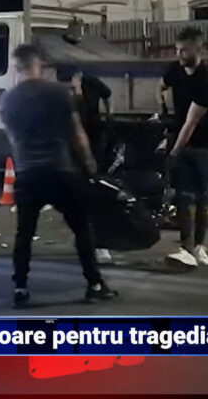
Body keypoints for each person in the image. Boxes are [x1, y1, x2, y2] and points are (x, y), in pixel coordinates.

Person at [0, 44, 118, 308]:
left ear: (17, 67)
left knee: (24, 234)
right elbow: (77, 134)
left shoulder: (7, 100)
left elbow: (12, 140)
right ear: (39, 64)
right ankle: (94, 285)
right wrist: (89, 164)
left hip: (28, 174)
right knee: (81, 229)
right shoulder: (58, 93)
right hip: (60, 171)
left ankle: (20, 288)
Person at [156, 27, 208, 268]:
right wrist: (162, 109)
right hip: (183, 141)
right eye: (177, 49)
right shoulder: (174, 69)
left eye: (185, 50)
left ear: (198, 49)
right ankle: (186, 247)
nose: (180, 54)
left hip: (206, 146)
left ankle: (199, 246)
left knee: (203, 197)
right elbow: (161, 85)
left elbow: (191, 123)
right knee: (183, 196)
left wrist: (174, 152)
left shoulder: (207, 82)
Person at [62, 65, 115, 265]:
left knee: (94, 192)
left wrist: (109, 114)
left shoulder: (92, 84)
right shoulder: (65, 93)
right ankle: (84, 236)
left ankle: (100, 244)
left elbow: (107, 95)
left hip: (93, 141)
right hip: (76, 147)